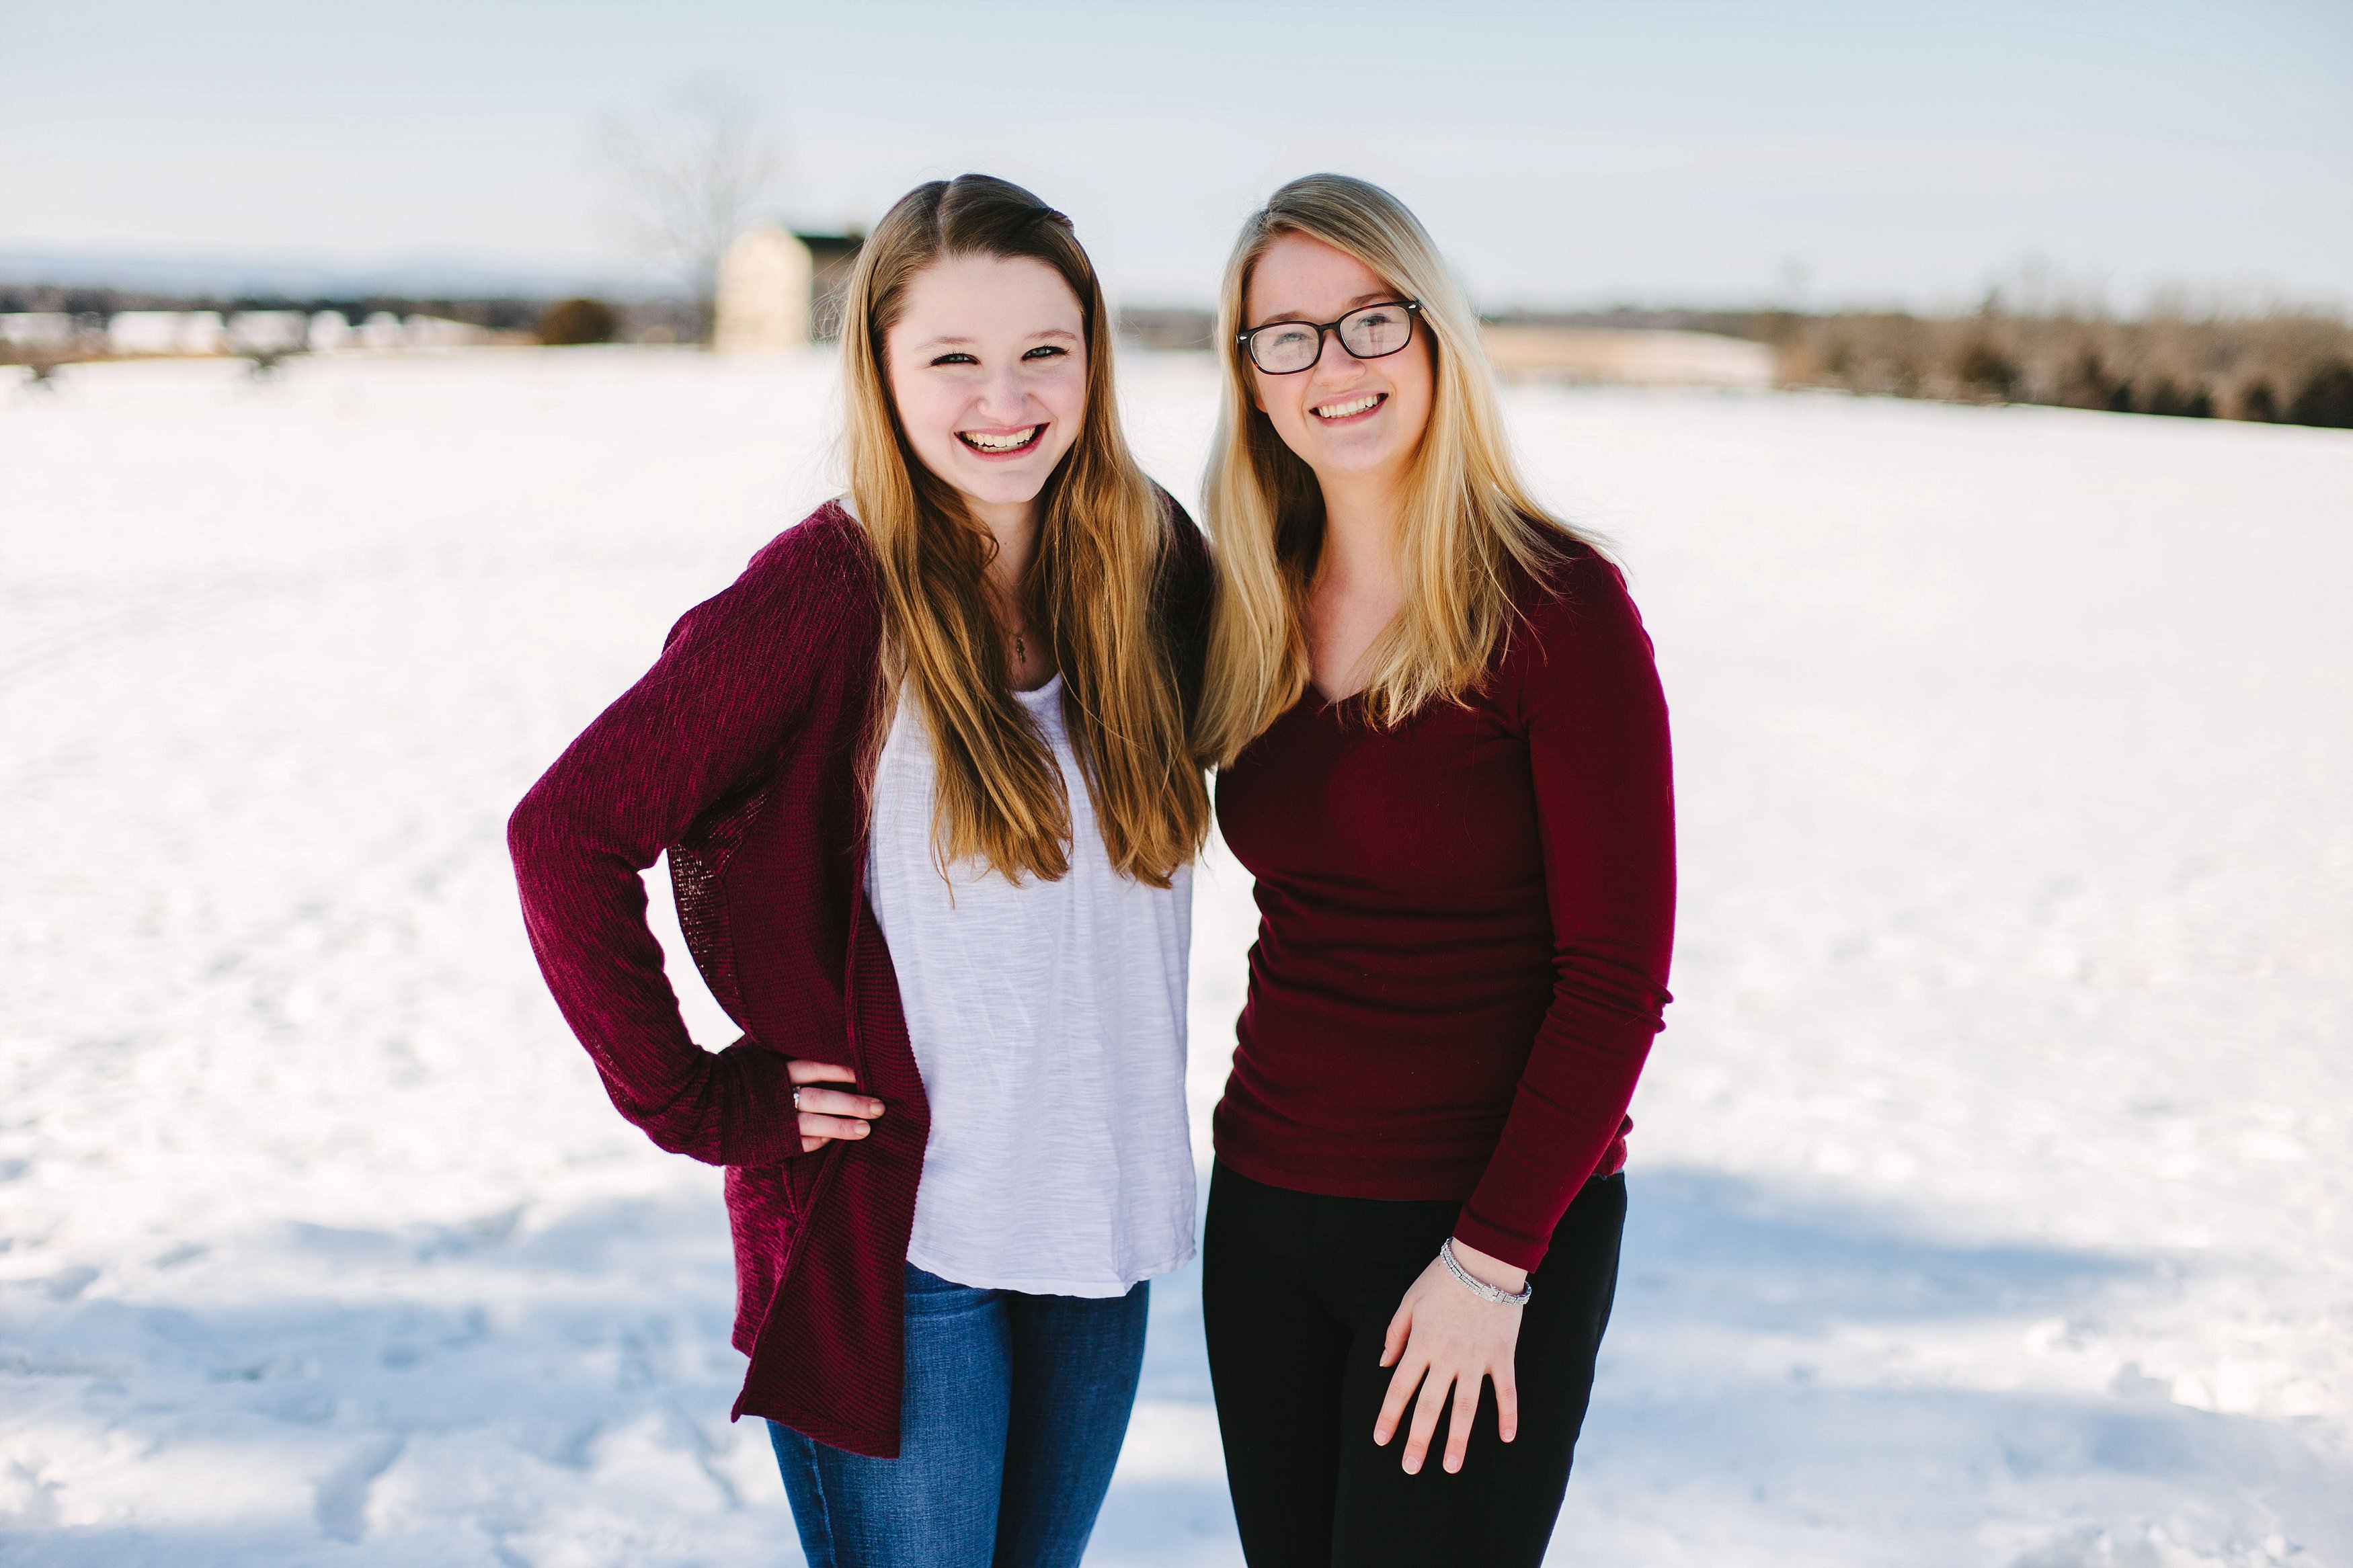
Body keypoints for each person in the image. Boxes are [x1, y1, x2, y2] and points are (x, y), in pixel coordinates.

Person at [508, 174, 1212, 1568]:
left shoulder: (1150, 568)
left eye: (1042, 353)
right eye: (951, 356)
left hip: (1099, 1232)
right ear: (881, 370)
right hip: (898, 1249)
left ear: (1093, 361)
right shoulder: (828, 592)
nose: (1002, 397)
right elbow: (567, 833)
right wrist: (696, 1096)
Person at [1191, 173, 1677, 1566]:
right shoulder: (1239, 601)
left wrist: (1491, 1263)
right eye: (1284, 335)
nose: (1330, 367)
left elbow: (1615, 981)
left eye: (1368, 322)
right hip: (1267, 1217)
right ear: (1252, 380)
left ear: (1434, 335)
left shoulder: (1553, 607)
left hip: (1486, 1236)